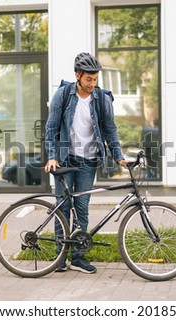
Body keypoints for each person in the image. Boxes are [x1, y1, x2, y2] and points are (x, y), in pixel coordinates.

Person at [45, 52, 128, 274]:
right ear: (78, 75)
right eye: (89, 79)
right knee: (62, 206)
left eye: (95, 79)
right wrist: (52, 156)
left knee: (82, 208)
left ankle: (78, 257)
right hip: (64, 158)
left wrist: (118, 155)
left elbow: (110, 129)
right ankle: (60, 257)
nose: (92, 83)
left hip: (88, 160)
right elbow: (51, 128)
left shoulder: (102, 98)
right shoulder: (63, 95)